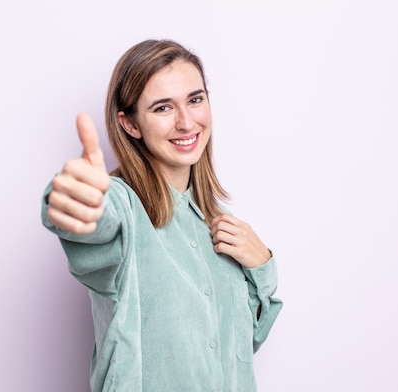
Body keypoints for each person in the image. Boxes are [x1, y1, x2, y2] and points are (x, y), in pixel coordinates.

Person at [41, 38, 282, 391]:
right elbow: (97, 226)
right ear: (131, 124)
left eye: (195, 100)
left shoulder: (219, 224)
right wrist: (77, 200)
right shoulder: (123, 207)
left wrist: (262, 264)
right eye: (163, 108)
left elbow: (242, 345)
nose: (186, 123)